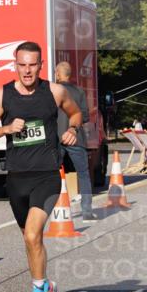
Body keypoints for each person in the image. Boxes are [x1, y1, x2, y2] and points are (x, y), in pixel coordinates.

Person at [0, 42, 82, 292]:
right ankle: (46, 285)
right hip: (17, 178)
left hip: (47, 176)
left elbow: (76, 113)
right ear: (15, 64)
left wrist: (72, 129)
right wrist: (6, 129)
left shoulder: (55, 92)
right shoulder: (4, 94)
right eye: (22, 64)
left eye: (32, 65)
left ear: (40, 65)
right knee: (28, 238)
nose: (27, 70)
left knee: (34, 235)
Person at [54, 61, 96, 222]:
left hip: (56, 138)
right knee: (83, 174)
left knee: (53, 174)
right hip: (75, 138)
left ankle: (56, 209)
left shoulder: (53, 90)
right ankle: (86, 212)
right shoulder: (79, 91)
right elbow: (85, 116)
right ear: (69, 75)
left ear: (58, 74)